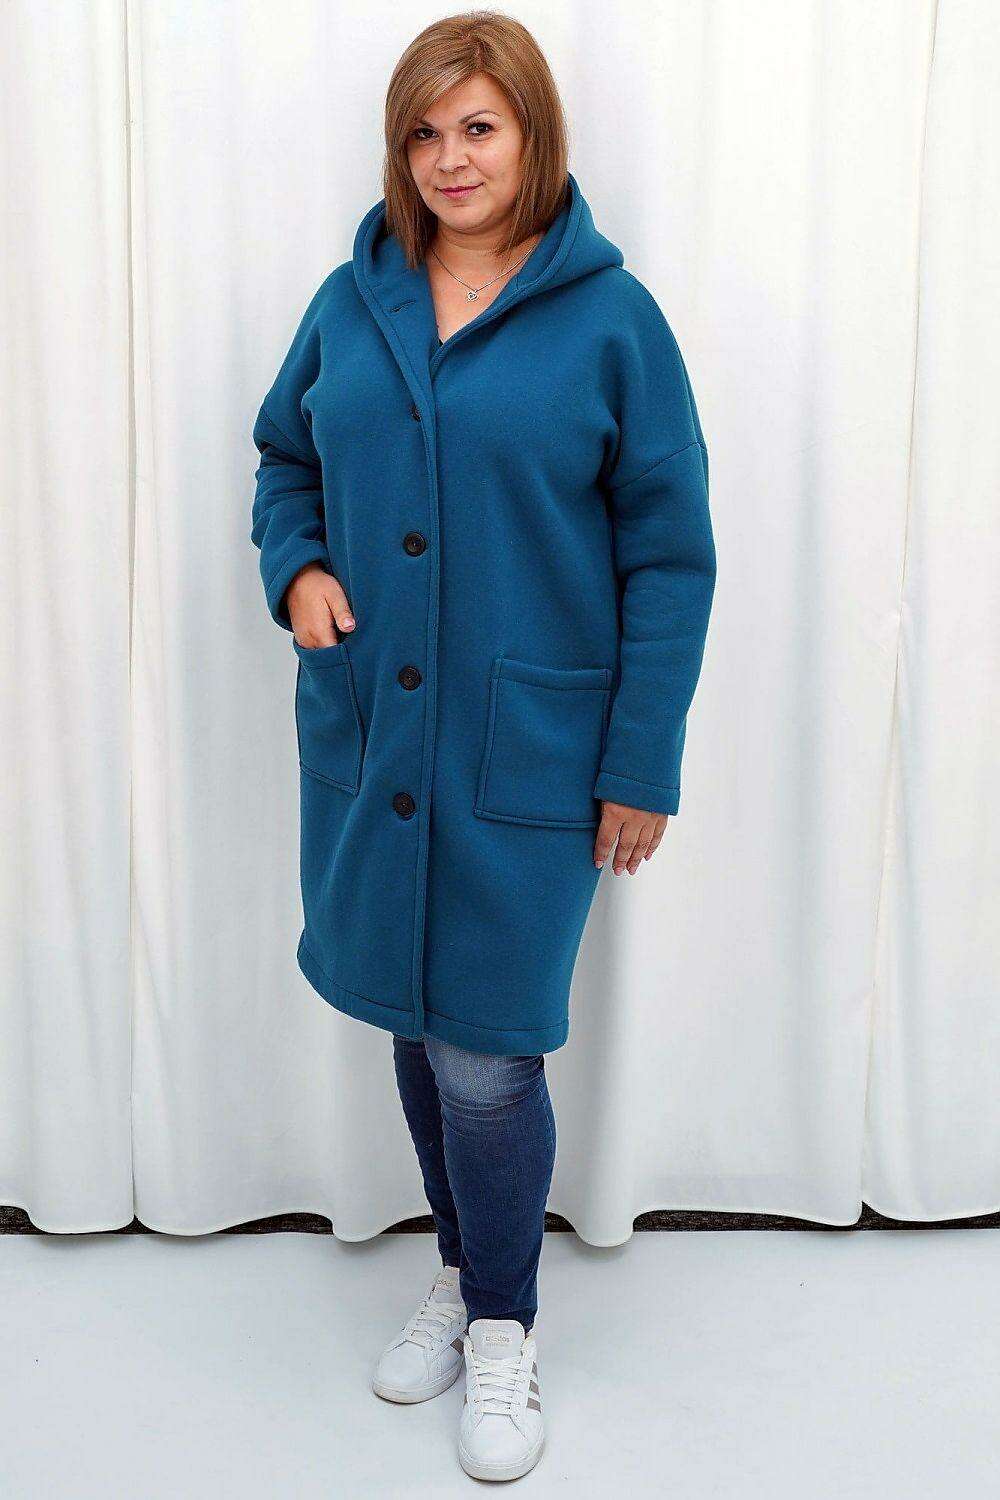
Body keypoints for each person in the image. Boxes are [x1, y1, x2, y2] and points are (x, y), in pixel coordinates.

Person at [250, 10, 716, 1483]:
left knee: (489, 1057)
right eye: (423, 132)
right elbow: (284, 458)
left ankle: (504, 1321)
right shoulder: (353, 301)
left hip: (533, 751)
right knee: (415, 1013)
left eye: (478, 127)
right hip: (376, 735)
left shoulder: (613, 323)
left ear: (533, 136)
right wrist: (297, 569)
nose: (449, 158)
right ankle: (462, 1274)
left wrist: (639, 762)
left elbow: (670, 557)